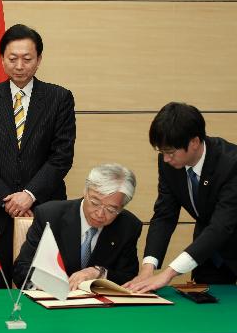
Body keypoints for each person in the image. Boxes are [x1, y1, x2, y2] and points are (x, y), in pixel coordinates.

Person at [0, 24, 76, 287]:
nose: (19, 65)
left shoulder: (59, 98)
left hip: (43, 208)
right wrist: (8, 199)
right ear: (2, 59)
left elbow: (61, 156)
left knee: (45, 289)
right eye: (12, 58)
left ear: (39, 59)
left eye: (27, 59)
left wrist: (29, 195)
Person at [125, 102, 237, 293]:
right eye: (162, 152)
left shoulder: (231, 164)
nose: (166, 159)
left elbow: (222, 226)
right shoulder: (169, 162)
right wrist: (148, 268)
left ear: (194, 142)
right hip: (209, 254)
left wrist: (168, 273)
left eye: (170, 152)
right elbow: (164, 214)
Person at [13, 163, 142, 290]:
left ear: (122, 206)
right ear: (85, 191)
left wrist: (100, 273)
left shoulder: (128, 226)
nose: (100, 213)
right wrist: (50, 286)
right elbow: (21, 269)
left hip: (100, 308)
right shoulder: (50, 216)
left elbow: (129, 278)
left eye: (111, 209)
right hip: (53, 303)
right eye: (95, 202)